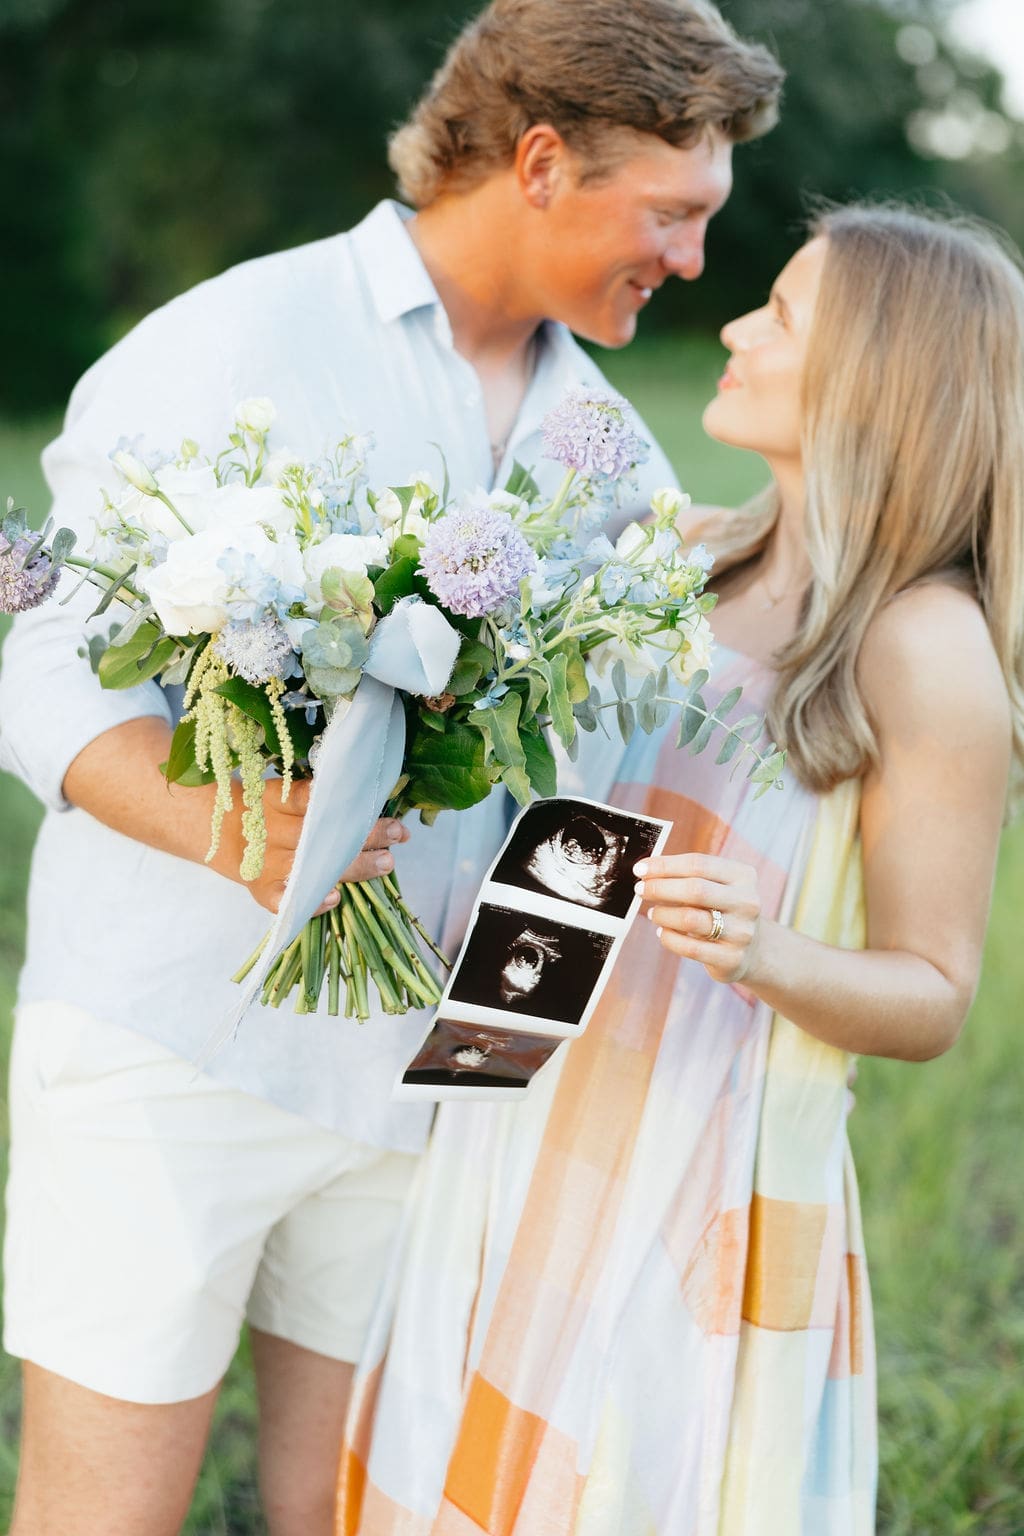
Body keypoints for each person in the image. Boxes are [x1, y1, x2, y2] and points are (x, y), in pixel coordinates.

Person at [0, 3, 783, 1533]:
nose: (692, 261)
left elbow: (593, 802)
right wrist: (212, 818)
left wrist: (488, 1079)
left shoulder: (609, 454)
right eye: (676, 213)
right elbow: (36, 645)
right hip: (179, 1051)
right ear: (544, 162)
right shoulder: (238, 342)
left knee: (359, 1515)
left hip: (423, 1099)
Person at [336, 204, 1024, 1534]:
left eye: (781, 314)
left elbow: (934, 991)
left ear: (880, 374)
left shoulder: (923, 647)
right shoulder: (691, 559)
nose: (734, 328)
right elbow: (575, 835)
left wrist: (771, 955)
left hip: (695, 1159)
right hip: (530, 1103)